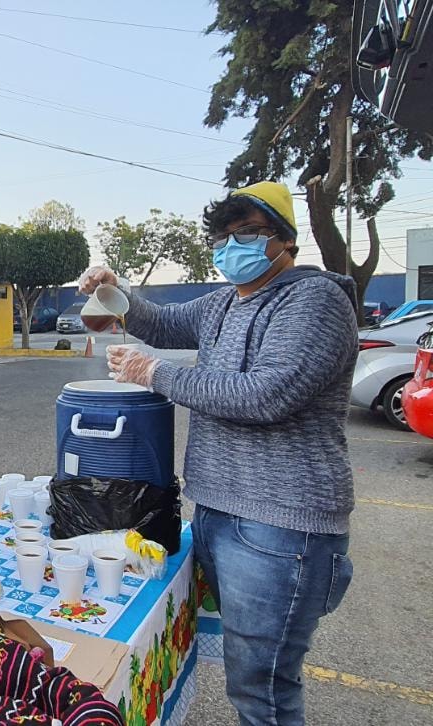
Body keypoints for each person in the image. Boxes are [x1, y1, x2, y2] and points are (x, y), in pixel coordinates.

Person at [78, 181, 356, 726]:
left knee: (263, 688)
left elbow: (269, 393)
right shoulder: (227, 301)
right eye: (224, 236)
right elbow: (160, 321)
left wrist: (154, 374)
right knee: (244, 670)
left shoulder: (315, 299)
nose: (233, 246)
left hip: (281, 525)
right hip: (219, 514)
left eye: (247, 232)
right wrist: (114, 291)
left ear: (284, 238)